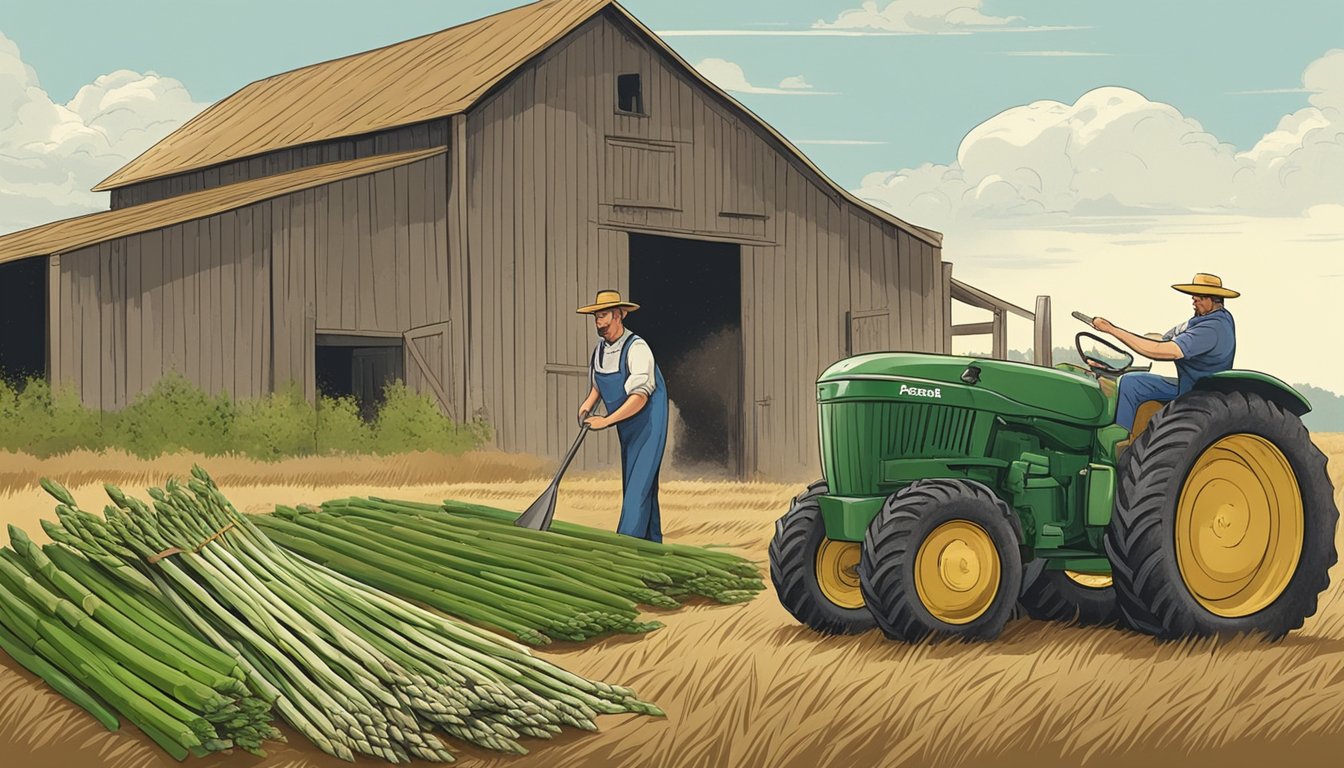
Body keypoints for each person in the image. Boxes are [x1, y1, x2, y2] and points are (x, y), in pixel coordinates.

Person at [1091, 273, 1238, 433]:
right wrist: (1133, 337)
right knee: (1132, 381)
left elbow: (1163, 351)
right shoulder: (1201, 320)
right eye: (1194, 295)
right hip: (1189, 384)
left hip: (1198, 393)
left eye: (1200, 296)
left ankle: (1118, 440)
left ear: (1215, 299)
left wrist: (1111, 330)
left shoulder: (1211, 328)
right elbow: (1162, 339)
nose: (1194, 299)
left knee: (1130, 384)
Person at [575, 290, 668, 543]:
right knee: (637, 485)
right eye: (596, 317)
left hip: (648, 422)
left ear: (619, 315)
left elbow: (639, 397)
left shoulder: (637, 348)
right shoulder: (600, 351)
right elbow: (598, 385)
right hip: (625, 424)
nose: (598, 322)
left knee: (637, 488)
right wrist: (587, 406)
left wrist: (605, 420)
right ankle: (652, 548)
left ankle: (624, 550)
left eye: (603, 316)